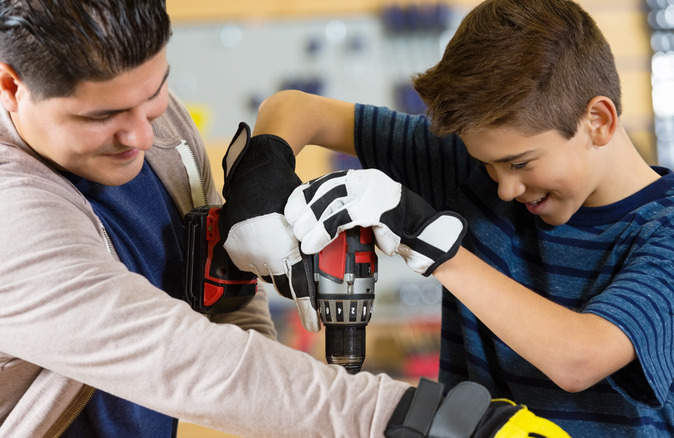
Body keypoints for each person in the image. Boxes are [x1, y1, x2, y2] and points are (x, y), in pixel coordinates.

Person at [0, 1, 570, 437]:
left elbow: (223, 303)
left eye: (154, 93)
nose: (145, 134)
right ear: (11, 86)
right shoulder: (12, 214)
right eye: (105, 117)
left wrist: (259, 179)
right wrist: (428, 420)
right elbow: (184, 360)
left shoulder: (154, 122)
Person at [251, 0, 674, 436]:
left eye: (521, 163)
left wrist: (431, 244)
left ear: (598, 122)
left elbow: (579, 358)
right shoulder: (468, 168)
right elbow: (295, 108)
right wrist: (264, 176)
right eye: (488, 164)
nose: (504, 187)